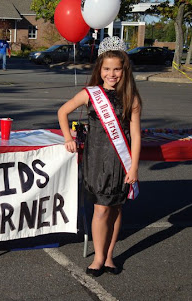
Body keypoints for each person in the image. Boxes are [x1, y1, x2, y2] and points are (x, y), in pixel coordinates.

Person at [57, 36, 142, 277]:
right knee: (100, 210)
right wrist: (68, 138)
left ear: (124, 69)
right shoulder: (90, 94)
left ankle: (110, 256)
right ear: (100, 70)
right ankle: (98, 257)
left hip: (120, 163)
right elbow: (62, 111)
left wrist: (133, 167)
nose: (111, 74)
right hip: (96, 161)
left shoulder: (131, 98)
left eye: (116, 69)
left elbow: (135, 136)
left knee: (115, 209)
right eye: (107, 69)